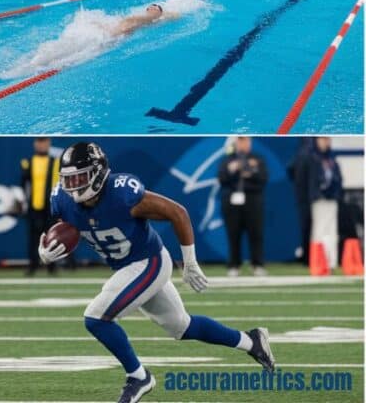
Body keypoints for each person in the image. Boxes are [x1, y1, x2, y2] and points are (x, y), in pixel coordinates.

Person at [39, 142, 275, 403]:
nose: (73, 186)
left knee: (96, 318)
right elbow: (66, 228)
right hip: (126, 267)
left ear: (98, 172)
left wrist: (190, 262)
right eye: (68, 179)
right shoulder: (62, 199)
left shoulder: (122, 193)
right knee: (182, 327)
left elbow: (178, 212)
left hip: (148, 261)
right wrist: (49, 249)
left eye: (80, 178)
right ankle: (252, 341)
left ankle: (139, 377)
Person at [217, 137, 269, 277]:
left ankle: (257, 264)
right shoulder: (228, 159)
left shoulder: (257, 159)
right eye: (240, 141)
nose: (243, 144)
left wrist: (251, 172)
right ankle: (234, 265)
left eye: (245, 140)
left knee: (256, 234)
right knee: (233, 234)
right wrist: (233, 169)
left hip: (253, 200)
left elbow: (263, 179)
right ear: (236, 143)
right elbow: (222, 179)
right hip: (232, 201)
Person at [19, 137, 60, 275]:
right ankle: (33, 265)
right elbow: (23, 185)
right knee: (33, 238)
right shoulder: (28, 163)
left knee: (52, 237)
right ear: (35, 143)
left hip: (50, 206)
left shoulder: (55, 162)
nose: (42, 144)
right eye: (39, 141)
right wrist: (23, 202)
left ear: (48, 143)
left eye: (44, 141)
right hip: (34, 206)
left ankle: (51, 266)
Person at [307, 137, 343, 269]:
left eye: (327, 139)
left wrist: (335, 193)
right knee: (319, 230)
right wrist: (316, 194)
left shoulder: (332, 160)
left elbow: (338, 179)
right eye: (323, 139)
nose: (325, 142)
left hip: (332, 200)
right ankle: (318, 262)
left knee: (332, 231)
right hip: (319, 200)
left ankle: (331, 262)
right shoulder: (312, 158)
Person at [110, 4, 178, 37]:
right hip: (130, 25)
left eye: (154, 7)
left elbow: (176, 16)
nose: (151, 8)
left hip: (130, 26)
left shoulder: (157, 17)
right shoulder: (150, 17)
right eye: (149, 8)